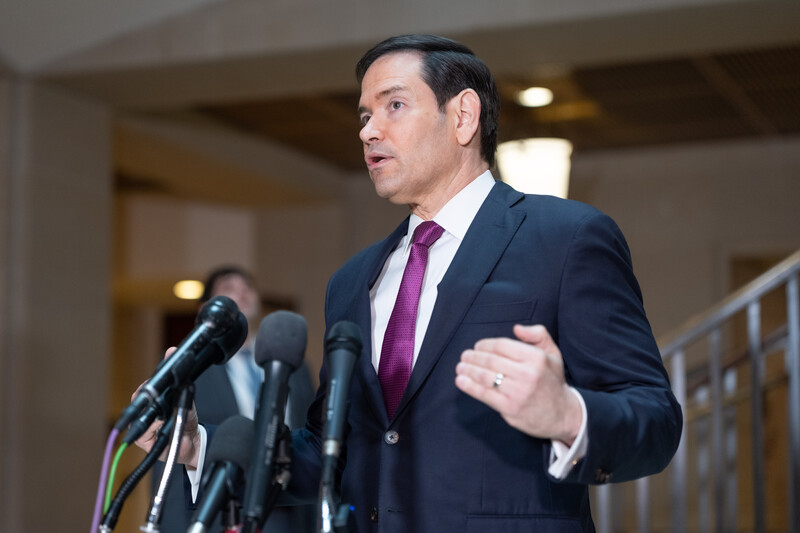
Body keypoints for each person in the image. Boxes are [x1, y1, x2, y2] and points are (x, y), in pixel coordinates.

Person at [139, 34, 682, 532]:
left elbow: (655, 419)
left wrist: (567, 415)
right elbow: (330, 451)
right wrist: (195, 446)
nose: (367, 131)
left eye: (393, 106)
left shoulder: (566, 238)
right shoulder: (352, 281)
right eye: (364, 115)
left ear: (463, 116)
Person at [153, 266, 316, 533]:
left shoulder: (291, 363)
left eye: (247, 287)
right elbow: (173, 452)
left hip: (285, 514)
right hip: (218, 515)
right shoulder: (190, 366)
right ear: (206, 307)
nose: (242, 293)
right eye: (229, 289)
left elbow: (311, 438)